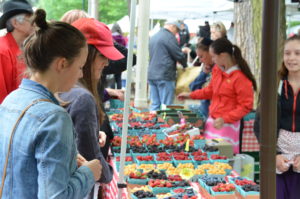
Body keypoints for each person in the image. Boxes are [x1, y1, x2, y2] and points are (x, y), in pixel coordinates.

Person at [0, 9, 101, 198]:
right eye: (80, 67)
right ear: (62, 64)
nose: (81, 74)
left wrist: (69, 158)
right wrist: (89, 173)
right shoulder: (54, 117)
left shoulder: (11, 100)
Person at [59, 17, 124, 187]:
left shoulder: (62, 86)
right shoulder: (83, 97)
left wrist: (92, 133)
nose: (107, 62)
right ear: (86, 55)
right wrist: (110, 173)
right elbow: (90, 155)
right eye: (103, 56)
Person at [178, 38, 256, 154]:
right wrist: (190, 95)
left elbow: (245, 106)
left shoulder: (240, 78)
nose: (212, 60)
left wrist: (225, 119)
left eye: (214, 56)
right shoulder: (218, 71)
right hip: (213, 121)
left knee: (222, 158)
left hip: (228, 126)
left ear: (223, 55)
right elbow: (210, 91)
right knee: (208, 155)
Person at [254, 35, 300, 199]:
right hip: (278, 159)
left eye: (297, 53)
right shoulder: (274, 83)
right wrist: (273, 154)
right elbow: (260, 123)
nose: (292, 58)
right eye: (287, 53)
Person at [148, 20, 188, 111]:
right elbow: (178, 54)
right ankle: (164, 124)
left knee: (155, 105)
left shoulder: (154, 36)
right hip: (165, 75)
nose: (177, 33)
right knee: (166, 106)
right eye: (177, 30)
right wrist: (185, 65)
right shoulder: (169, 37)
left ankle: (152, 124)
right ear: (172, 26)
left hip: (152, 74)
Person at [0, 0, 34, 103]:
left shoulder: (27, 49)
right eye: (32, 20)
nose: (36, 24)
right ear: (16, 23)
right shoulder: (2, 51)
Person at [189, 38, 214, 118]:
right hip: (205, 112)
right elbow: (193, 87)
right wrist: (203, 74)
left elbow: (210, 92)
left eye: (201, 56)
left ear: (211, 53)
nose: (200, 60)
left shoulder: (219, 70)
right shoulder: (207, 69)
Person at [111, 23, 127, 89]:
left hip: (112, 59)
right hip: (120, 60)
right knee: (118, 79)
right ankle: (119, 94)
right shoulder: (123, 39)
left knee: (112, 79)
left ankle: (112, 95)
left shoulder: (110, 37)